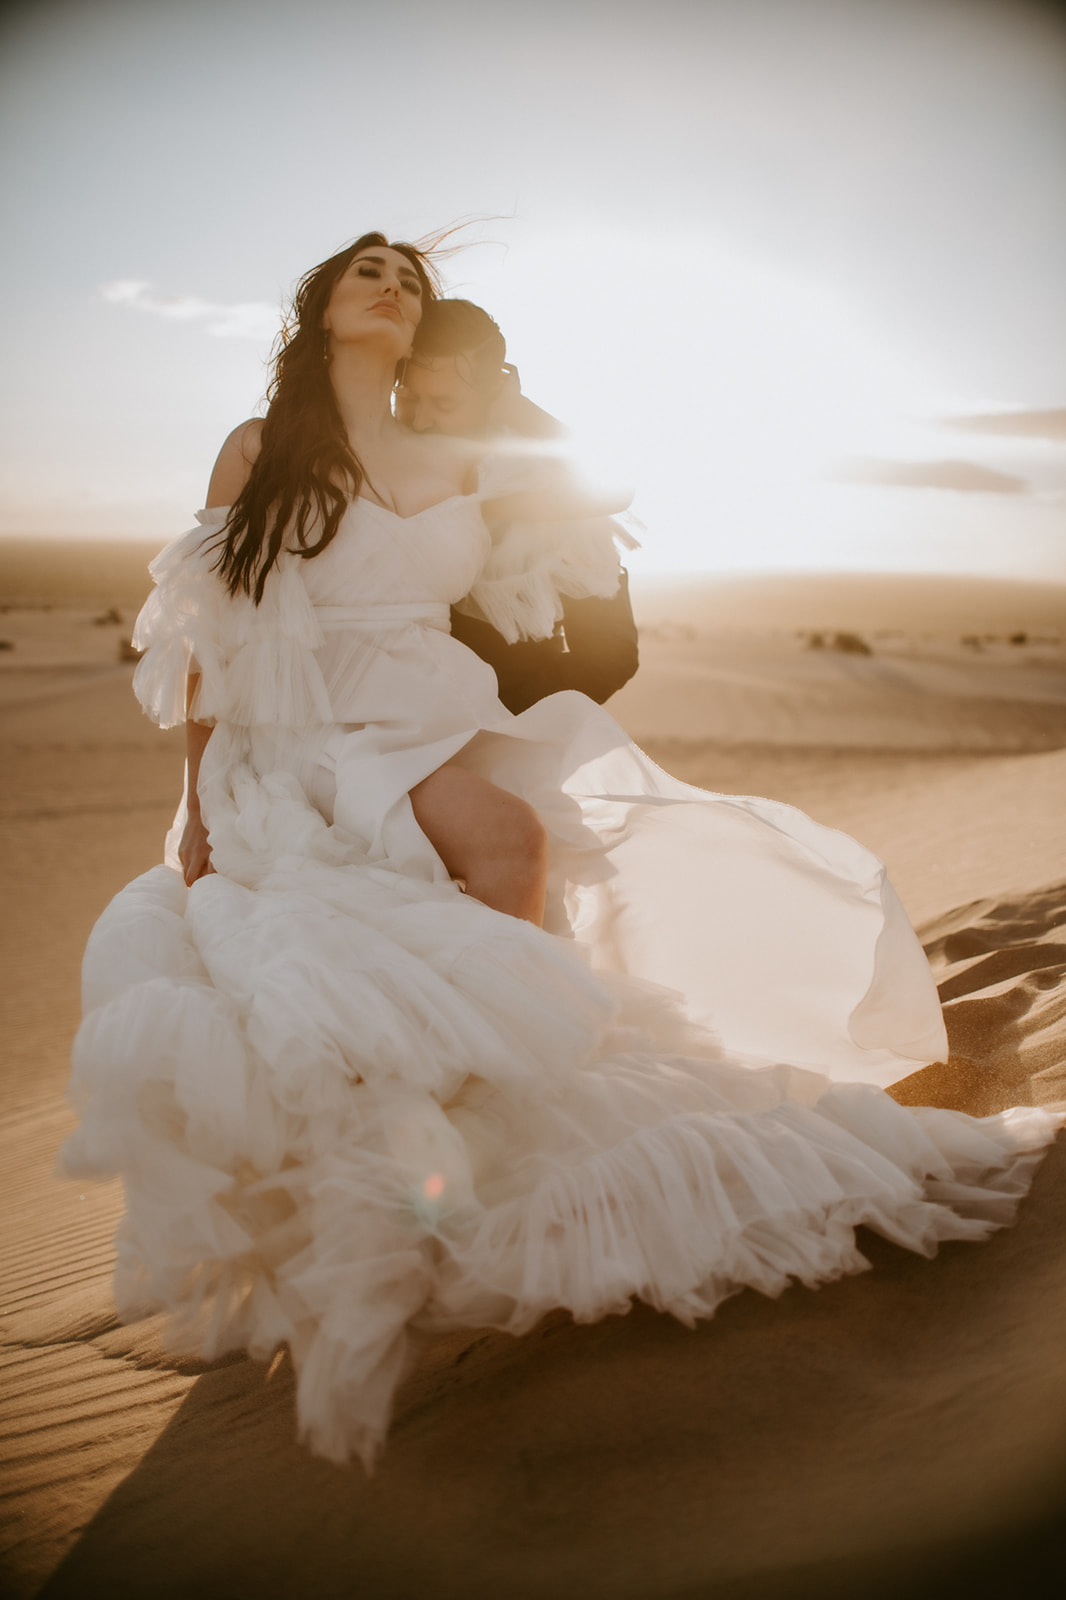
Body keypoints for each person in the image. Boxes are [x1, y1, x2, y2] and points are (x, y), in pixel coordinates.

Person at [62, 230, 1061, 1471]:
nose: (392, 287)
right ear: (322, 308)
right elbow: (214, 634)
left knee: (528, 857)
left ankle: (475, 1144)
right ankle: (407, 1182)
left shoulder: (459, 447)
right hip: (306, 736)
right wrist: (201, 800)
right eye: (368, 272)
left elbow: (584, 510)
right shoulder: (261, 451)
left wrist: (509, 395)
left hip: (440, 715)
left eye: (411, 280)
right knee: (431, 894)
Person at [398, 297, 640, 714]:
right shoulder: (381, 449)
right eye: (407, 398)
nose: (420, 421)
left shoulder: (531, 477)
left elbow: (609, 658)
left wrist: (506, 714)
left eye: (444, 404)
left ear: (495, 394)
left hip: (507, 727)